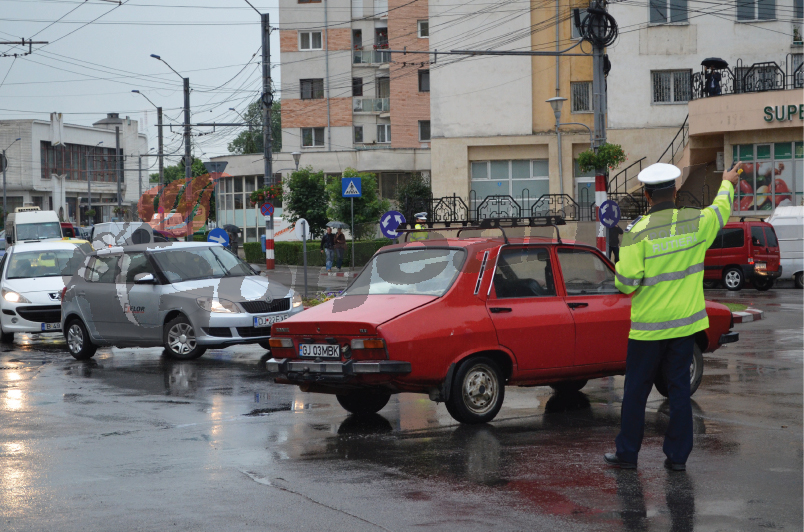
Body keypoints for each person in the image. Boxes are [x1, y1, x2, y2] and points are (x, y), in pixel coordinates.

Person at [604, 161, 741, 472]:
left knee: (636, 394)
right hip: (684, 327)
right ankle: (677, 457)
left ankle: (627, 454)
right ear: (676, 191)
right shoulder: (695, 222)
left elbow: (625, 284)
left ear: (648, 196)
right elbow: (720, 210)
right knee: (678, 391)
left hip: (648, 332)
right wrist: (728, 182)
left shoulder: (636, 233)